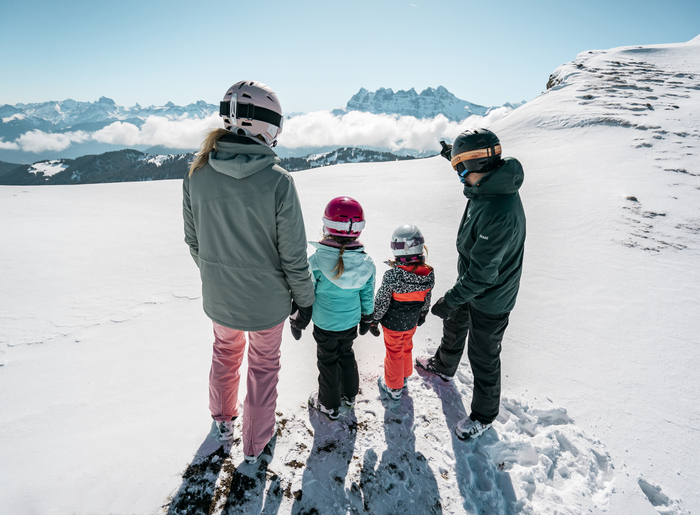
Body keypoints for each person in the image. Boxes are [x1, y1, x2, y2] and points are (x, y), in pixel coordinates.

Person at [182, 80, 315, 464]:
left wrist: (218, 276)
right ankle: (256, 445)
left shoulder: (197, 172)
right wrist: (303, 302)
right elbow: (293, 257)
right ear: (262, 126)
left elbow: (194, 241)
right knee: (263, 367)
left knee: (225, 354)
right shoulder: (278, 181)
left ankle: (223, 422)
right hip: (268, 304)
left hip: (220, 299)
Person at [416, 128, 526, 440]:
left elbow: (483, 276)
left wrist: (447, 300)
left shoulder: (497, 209)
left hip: (491, 296)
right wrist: (453, 154)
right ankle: (444, 365)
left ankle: (484, 415)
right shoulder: (488, 186)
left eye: (461, 170)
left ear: (478, 166)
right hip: (473, 283)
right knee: (454, 323)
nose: (460, 176)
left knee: (484, 354)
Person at [293, 197, 376, 420]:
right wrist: (367, 317)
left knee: (328, 361)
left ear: (328, 225)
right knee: (346, 353)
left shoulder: (317, 261)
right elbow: (367, 295)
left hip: (325, 323)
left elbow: (306, 293)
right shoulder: (367, 263)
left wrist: (299, 318)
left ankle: (329, 405)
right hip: (350, 322)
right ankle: (349, 396)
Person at [369, 224, 435, 401]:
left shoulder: (393, 276)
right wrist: (423, 314)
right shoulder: (428, 273)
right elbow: (427, 296)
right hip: (412, 321)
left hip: (393, 324)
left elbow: (382, 300)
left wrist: (374, 320)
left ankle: (393, 387)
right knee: (407, 346)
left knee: (394, 352)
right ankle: (404, 376)